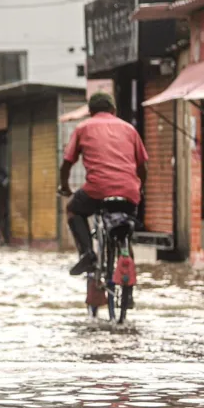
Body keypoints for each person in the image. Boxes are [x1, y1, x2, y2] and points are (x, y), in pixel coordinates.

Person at [59, 92, 148, 275]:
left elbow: (67, 163)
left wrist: (65, 186)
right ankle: (128, 288)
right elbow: (142, 167)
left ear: (90, 111)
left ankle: (87, 253)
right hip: (129, 193)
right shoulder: (129, 129)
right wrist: (140, 188)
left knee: (72, 209)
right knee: (125, 234)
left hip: (96, 191)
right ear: (113, 110)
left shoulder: (83, 128)